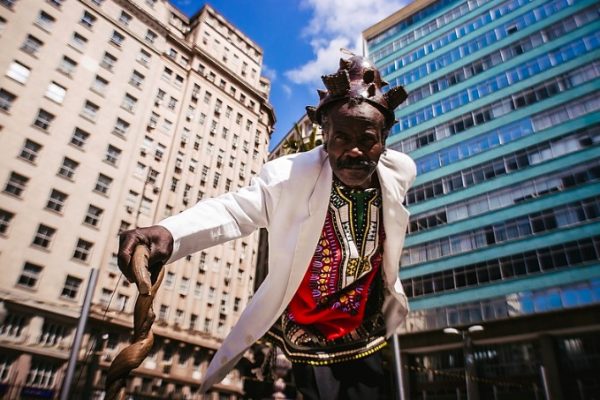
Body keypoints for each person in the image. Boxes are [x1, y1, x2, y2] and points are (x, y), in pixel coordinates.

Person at [118, 55, 416, 399]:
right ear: (324, 135)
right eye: (341, 137)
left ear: (384, 138)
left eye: (367, 139)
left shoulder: (399, 173)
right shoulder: (289, 177)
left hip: (367, 327)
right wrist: (171, 233)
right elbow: (234, 211)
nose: (353, 151)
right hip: (308, 326)